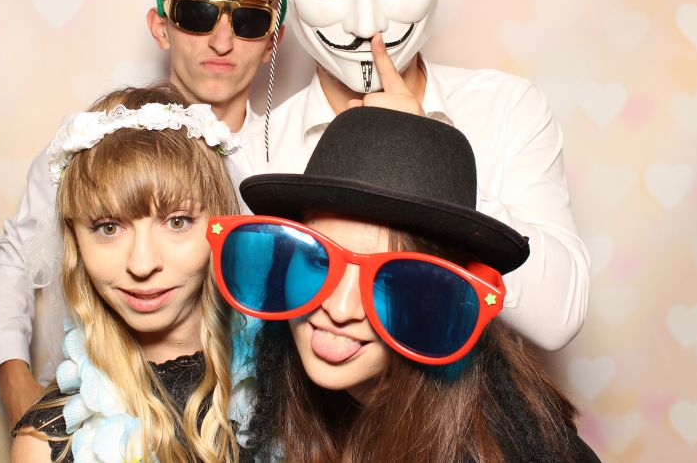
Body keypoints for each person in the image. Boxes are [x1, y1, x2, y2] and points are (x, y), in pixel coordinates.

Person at [245, 0, 590, 351]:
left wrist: (429, 160)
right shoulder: (257, 149)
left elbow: (559, 320)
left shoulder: (506, 109)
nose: (366, 24)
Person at [0, 0, 280, 427]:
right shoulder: (92, 147)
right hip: (102, 415)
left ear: (272, 41)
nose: (221, 41)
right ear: (160, 27)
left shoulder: (292, 158)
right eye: (198, 15)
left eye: (248, 21)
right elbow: (16, 255)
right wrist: (13, 376)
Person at [209, 107, 600, 462]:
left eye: (389, 279)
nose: (340, 309)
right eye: (318, 259)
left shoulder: (512, 450)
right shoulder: (286, 399)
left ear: (439, 300)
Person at [11, 84, 243, 463]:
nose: (142, 264)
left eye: (177, 221)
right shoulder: (44, 447)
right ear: (75, 242)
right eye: (108, 228)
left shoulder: (292, 388)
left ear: (220, 224)